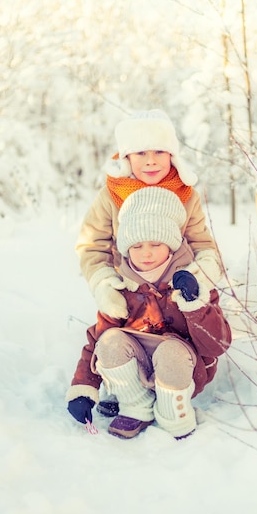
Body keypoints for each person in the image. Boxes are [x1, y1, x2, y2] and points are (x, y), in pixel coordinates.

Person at [75, 109, 224, 415]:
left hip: (174, 288)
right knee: (112, 336)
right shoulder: (111, 195)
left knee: (174, 344)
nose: (151, 160)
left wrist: (197, 280)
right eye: (141, 152)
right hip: (130, 288)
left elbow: (202, 244)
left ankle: (173, 387)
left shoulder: (186, 195)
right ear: (126, 157)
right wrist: (105, 284)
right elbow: (92, 245)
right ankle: (126, 387)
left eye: (159, 151)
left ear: (172, 154)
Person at [66, 187, 232, 440]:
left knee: (170, 351)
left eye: (156, 244)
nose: (146, 253)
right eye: (137, 245)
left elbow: (216, 346)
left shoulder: (192, 282)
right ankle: (136, 406)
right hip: (137, 366)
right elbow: (96, 341)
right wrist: (84, 388)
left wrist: (195, 304)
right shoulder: (121, 287)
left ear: (172, 246)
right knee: (109, 341)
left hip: (183, 371)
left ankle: (172, 413)